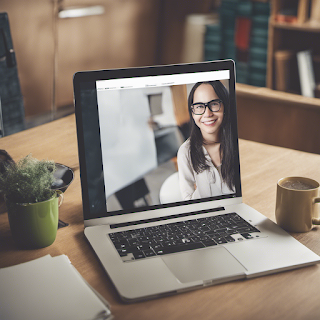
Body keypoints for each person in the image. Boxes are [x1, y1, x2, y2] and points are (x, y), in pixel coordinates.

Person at [177, 80, 237, 200]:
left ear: (225, 106)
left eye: (214, 104)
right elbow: (187, 199)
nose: (207, 113)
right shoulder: (186, 151)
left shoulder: (238, 143)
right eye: (199, 106)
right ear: (192, 113)